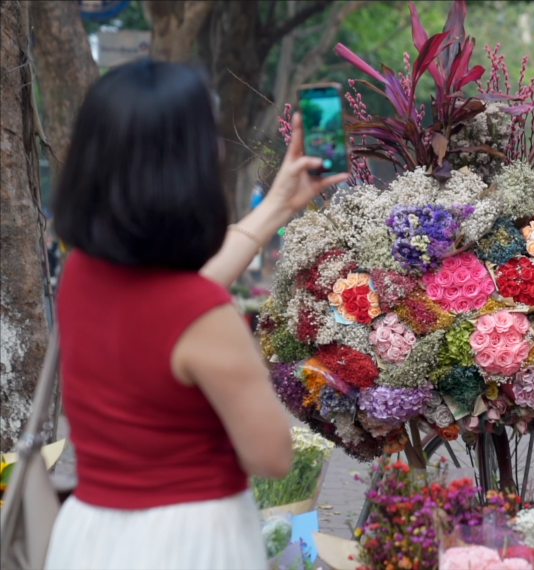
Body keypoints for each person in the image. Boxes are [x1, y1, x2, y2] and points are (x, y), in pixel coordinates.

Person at [46, 59, 348, 570]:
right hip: (187, 541)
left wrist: (280, 203)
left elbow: (179, 301)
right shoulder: (203, 317)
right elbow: (272, 455)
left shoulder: (80, 275)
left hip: (88, 534)